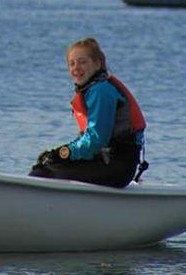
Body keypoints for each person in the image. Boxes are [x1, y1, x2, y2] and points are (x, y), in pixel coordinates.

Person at [29, 37, 146, 188]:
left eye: (83, 62)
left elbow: (96, 140)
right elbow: (89, 142)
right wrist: (60, 154)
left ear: (97, 64)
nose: (76, 67)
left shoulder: (101, 91)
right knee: (47, 166)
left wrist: (63, 153)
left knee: (43, 173)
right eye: (72, 63)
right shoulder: (92, 90)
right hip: (107, 161)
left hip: (117, 166)